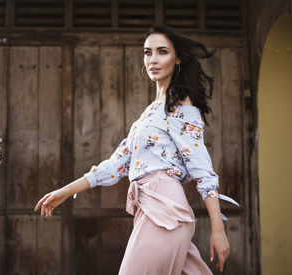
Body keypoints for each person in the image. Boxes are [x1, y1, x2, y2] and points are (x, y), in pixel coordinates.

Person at [34, 24, 239, 274]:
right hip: (151, 210)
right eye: (147, 52)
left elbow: (203, 171)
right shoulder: (151, 111)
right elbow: (116, 165)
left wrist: (219, 231)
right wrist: (65, 191)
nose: (152, 59)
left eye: (162, 52)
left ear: (178, 59)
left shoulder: (180, 106)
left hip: (166, 211)